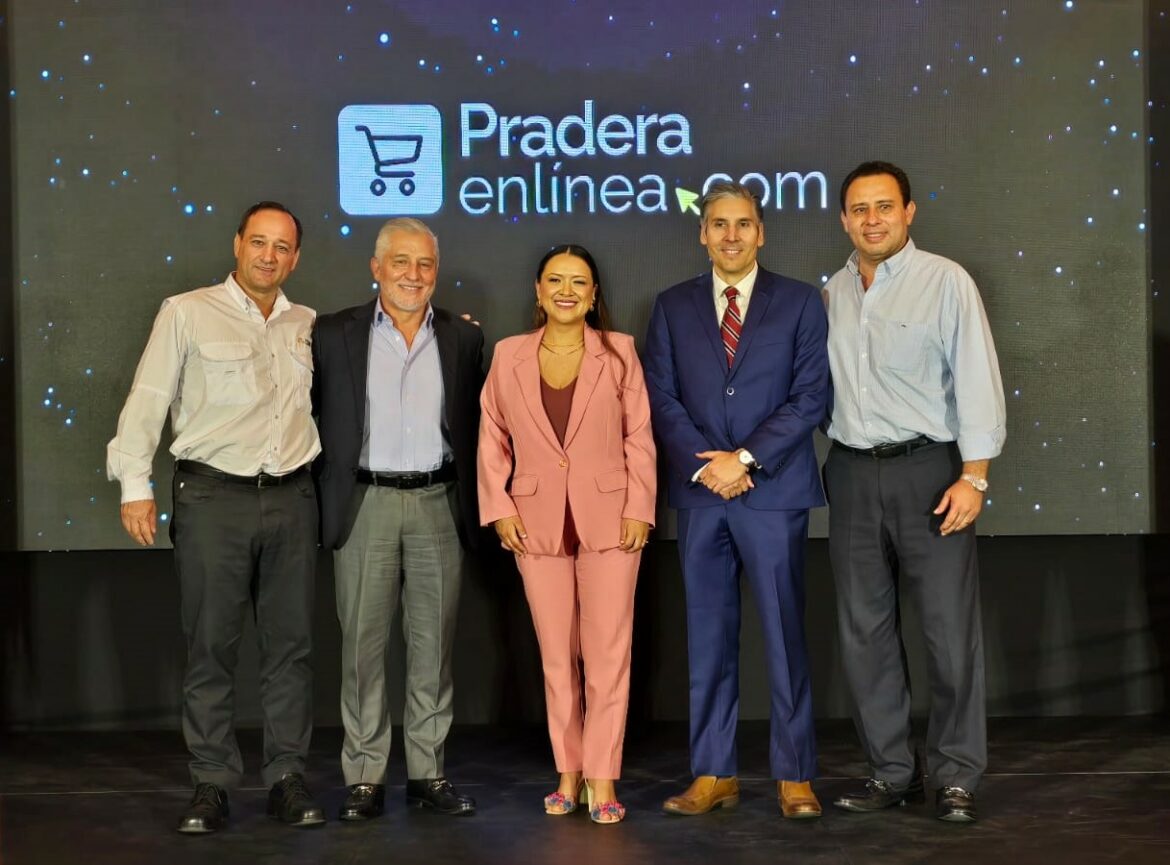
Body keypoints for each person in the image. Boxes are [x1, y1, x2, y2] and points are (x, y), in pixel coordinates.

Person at [107, 201, 325, 833]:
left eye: (282, 247)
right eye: (258, 242)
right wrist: (134, 485)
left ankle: (287, 777)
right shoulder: (187, 311)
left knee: (291, 650)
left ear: (295, 258)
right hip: (212, 500)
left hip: (292, 498)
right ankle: (210, 783)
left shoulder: (306, 323)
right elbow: (147, 397)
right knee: (211, 648)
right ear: (237, 245)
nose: (269, 255)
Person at [824, 161, 1006, 823]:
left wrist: (975, 473)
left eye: (884, 206)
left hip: (931, 472)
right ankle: (892, 772)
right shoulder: (833, 292)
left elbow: (979, 378)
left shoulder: (945, 281)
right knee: (863, 633)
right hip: (848, 471)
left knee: (948, 633)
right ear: (844, 218)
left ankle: (956, 775)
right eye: (859, 208)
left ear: (909, 211)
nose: (872, 219)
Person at [643, 181, 829, 819]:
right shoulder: (671, 306)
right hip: (701, 497)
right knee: (709, 637)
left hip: (771, 491)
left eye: (742, 224)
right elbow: (660, 400)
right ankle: (713, 772)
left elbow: (811, 398)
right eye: (718, 224)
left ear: (761, 232)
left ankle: (795, 774)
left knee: (784, 634)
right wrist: (709, 468)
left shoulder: (802, 302)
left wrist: (743, 460)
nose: (730, 235)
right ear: (702, 233)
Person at [311, 218, 484, 819]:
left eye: (426, 265)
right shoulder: (333, 334)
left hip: (439, 502)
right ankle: (364, 777)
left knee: (431, 646)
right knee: (362, 646)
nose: (414, 275)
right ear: (376, 267)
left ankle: (428, 773)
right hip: (366, 504)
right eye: (402, 263)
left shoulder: (463, 339)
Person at [478, 244, 656, 825]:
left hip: (610, 521)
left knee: (607, 657)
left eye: (579, 282)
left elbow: (640, 437)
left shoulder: (621, 353)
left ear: (594, 294)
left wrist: (640, 507)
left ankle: (603, 781)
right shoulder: (508, 356)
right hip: (534, 524)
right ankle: (568, 773)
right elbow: (492, 437)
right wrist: (499, 505)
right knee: (558, 659)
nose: (566, 290)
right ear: (537, 290)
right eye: (555, 280)